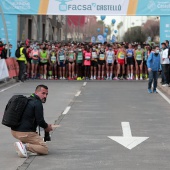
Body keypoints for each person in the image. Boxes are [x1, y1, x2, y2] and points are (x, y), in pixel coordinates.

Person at [11, 85, 53, 158]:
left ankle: (22, 145)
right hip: (24, 133)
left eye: (46, 94)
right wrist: (47, 127)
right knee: (44, 149)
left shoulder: (27, 100)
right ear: (36, 92)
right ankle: (24, 146)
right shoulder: (37, 103)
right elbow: (40, 121)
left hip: (14, 131)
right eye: (43, 93)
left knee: (33, 136)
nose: (45, 96)